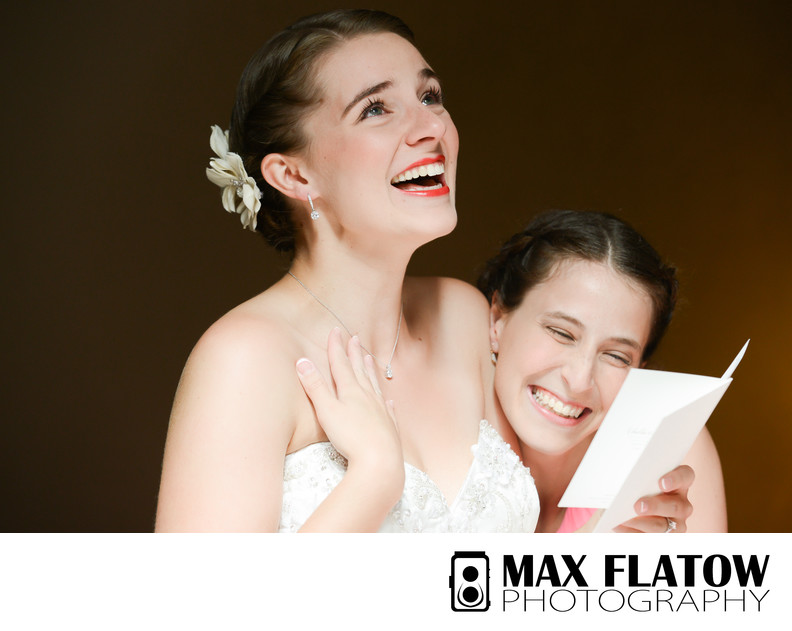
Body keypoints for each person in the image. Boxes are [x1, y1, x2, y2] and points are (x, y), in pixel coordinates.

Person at [155, 9, 539, 532]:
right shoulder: (245, 358)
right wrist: (375, 477)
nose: (433, 127)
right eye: (375, 109)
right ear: (294, 175)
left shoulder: (462, 316)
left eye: (430, 97)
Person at [477, 209, 728, 532]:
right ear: (498, 319)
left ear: (639, 371)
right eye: (561, 333)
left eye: (616, 356)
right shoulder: (440, 416)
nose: (579, 380)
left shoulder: (672, 452)